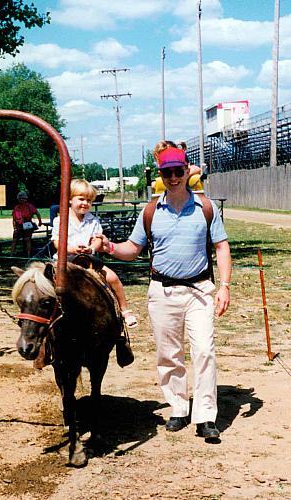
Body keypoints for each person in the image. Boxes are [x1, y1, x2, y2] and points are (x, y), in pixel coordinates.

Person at [97, 146, 231, 439]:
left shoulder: (206, 208)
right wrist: (110, 247)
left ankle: (206, 416)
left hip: (200, 291)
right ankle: (179, 408)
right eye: (166, 172)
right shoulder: (150, 210)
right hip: (162, 292)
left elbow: (221, 246)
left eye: (178, 171)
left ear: (187, 171)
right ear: (161, 175)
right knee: (169, 354)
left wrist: (224, 286)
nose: (173, 177)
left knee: (204, 352)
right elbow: (133, 249)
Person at [51, 179, 138, 328]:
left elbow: (98, 239)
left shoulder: (93, 221)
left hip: (88, 261)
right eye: (81, 199)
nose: (85, 203)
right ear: (70, 200)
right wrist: (72, 249)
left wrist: (91, 248)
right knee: (47, 283)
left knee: (113, 278)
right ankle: (47, 315)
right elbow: (57, 242)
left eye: (89, 200)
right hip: (65, 261)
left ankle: (124, 310)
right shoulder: (61, 220)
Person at [11, 191, 42, 258]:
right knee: (15, 240)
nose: (22, 200)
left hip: (27, 225)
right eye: (20, 198)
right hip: (19, 226)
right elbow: (14, 219)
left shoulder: (29, 206)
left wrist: (40, 221)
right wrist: (14, 227)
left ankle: (28, 255)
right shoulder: (16, 208)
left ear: (26, 199)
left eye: (23, 198)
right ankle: (11, 255)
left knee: (27, 240)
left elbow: (37, 213)